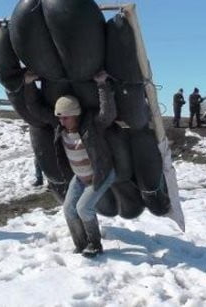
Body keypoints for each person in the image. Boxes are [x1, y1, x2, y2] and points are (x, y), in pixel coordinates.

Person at [54, 71, 117, 257]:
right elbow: (36, 112)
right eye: (59, 117)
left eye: (65, 117)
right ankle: (81, 244)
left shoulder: (91, 126)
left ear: (75, 115)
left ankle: (95, 244)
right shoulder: (61, 129)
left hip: (100, 174)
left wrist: (102, 85)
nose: (61, 121)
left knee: (83, 208)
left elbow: (108, 113)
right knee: (68, 209)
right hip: (80, 178)